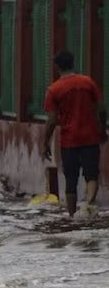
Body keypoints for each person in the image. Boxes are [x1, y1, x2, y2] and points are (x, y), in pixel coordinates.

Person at [42, 50, 108, 219]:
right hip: (90, 137)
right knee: (91, 175)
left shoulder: (54, 89)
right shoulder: (87, 82)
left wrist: (45, 143)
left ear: (57, 66)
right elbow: (101, 108)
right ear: (73, 63)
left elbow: (51, 120)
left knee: (70, 181)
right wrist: (102, 129)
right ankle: (88, 206)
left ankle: (72, 217)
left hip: (69, 141)